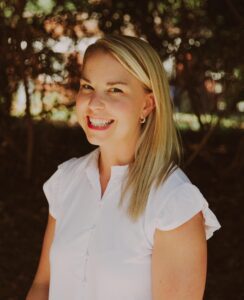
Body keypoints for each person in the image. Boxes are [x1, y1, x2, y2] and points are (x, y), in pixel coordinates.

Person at [26, 35, 221, 300]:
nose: (94, 103)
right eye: (87, 86)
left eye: (115, 89)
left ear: (147, 104)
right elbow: (43, 285)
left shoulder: (174, 202)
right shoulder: (66, 181)